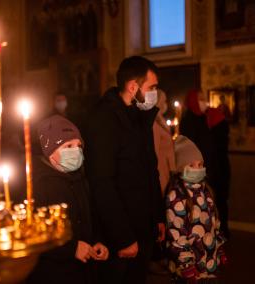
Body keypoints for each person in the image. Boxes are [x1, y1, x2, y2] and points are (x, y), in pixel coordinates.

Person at [84, 56, 165, 284]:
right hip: (120, 234)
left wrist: (157, 216)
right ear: (133, 87)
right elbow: (102, 183)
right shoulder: (104, 119)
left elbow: (151, 170)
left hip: (143, 226)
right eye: (152, 87)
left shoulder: (140, 117)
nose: (155, 93)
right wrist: (123, 237)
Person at [27, 114, 109, 284]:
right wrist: (71, 249)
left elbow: (90, 216)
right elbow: (35, 234)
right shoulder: (37, 184)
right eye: (68, 146)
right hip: (53, 274)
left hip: (83, 271)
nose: (76, 151)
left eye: (79, 146)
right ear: (49, 151)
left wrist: (97, 241)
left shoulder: (79, 178)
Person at [166, 135, 227, 283]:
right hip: (187, 270)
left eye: (200, 165)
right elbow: (177, 235)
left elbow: (213, 226)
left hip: (208, 264)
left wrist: (219, 249)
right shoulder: (176, 196)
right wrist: (186, 266)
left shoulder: (206, 191)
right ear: (181, 167)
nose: (198, 169)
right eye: (192, 165)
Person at [180, 89, 231, 238]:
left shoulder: (205, 118)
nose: (204, 102)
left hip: (213, 169)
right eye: (201, 99)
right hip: (199, 171)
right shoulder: (189, 120)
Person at [153, 88, 176, 194]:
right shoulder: (154, 123)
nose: (165, 104)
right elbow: (155, 151)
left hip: (168, 170)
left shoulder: (160, 119)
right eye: (163, 101)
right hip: (161, 170)